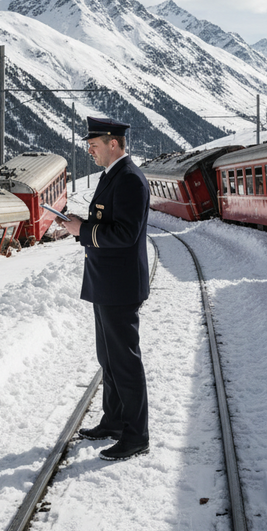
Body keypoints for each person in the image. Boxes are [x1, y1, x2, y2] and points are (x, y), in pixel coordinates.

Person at [59, 116, 150, 461]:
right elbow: (105, 221)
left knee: (125, 362)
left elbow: (125, 234)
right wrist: (76, 224)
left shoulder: (129, 180)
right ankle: (114, 421)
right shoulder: (112, 177)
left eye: (94, 145)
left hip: (120, 285)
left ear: (114, 143)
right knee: (108, 359)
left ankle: (136, 435)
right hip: (106, 281)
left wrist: (82, 231)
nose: (89, 151)